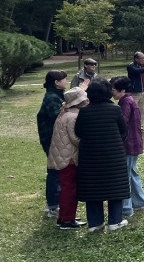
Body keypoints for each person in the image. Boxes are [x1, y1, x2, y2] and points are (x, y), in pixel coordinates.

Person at [74, 79, 130, 232]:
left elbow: (78, 132)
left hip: (90, 155)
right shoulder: (115, 110)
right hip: (113, 155)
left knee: (93, 188)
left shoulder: (84, 111)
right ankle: (115, 221)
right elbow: (124, 131)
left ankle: (95, 223)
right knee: (115, 187)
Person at [47, 86, 89, 229]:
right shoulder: (73, 116)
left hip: (62, 156)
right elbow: (75, 138)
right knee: (69, 189)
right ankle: (67, 220)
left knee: (66, 188)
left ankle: (64, 216)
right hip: (69, 158)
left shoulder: (64, 113)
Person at [111, 77, 144, 218]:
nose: (112, 93)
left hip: (128, 144)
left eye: (113, 90)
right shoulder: (129, 100)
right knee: (132, 173)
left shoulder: (125, 102)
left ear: (121, 90)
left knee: (125, 176)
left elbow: (122, 122)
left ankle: (126, 208)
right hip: (134, 143)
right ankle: (140, 202)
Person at [37, 70, 69, 218]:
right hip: (51, 140)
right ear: (57, 82)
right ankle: (52, 207)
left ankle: (54, 203)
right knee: (54, 172)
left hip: (56, 140)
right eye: (64, 79)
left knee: (58, 171)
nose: (66, 82)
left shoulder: (57, 95)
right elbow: (59, 117)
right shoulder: (51, 97)